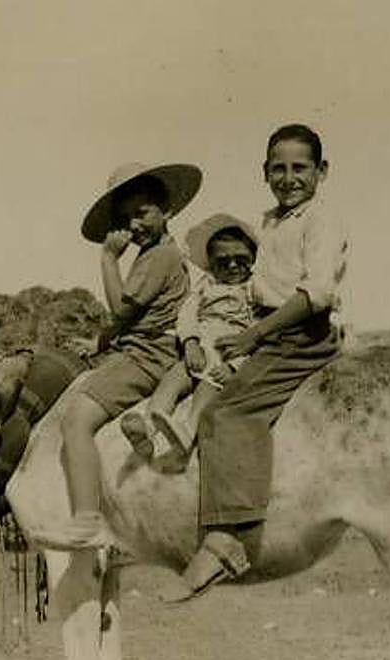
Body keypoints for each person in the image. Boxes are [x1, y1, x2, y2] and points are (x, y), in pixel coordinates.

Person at [178, 124, 349, 598]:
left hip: (297, 333)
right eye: (279, 168)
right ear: (265, 173)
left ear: (322, 171)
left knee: (227, 410)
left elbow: (316, 292)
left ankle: (229, 536)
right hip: (270, 327)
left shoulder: (321, 219)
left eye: (300, 168)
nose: (289, 177)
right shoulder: (270, 222)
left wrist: (255, 333)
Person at [58, 162, 202, 547]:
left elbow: (122, 309)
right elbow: (132, 319)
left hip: (149, 356)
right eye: (126, 218)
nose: (134, 225)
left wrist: (107, 259)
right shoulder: (159, 253)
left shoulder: (160, 257)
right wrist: (101, 344)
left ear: (167, 211)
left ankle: (87, 516)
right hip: (143, 347)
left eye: (141, 213)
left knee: (75, 420)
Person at [119, 213, 258, 473]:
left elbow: (257, 333)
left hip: (227, 353)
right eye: (222, 261)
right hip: (198, 348)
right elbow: (187, 314)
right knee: (172, 379)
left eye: (241, 260)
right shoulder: (205, 286)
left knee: (208, 388)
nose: (232, 267)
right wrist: (191, 342)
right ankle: (148, 427)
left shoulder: (254, 290)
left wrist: (234, 366)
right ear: (211, 265)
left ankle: (188, 432)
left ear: (252, 260)